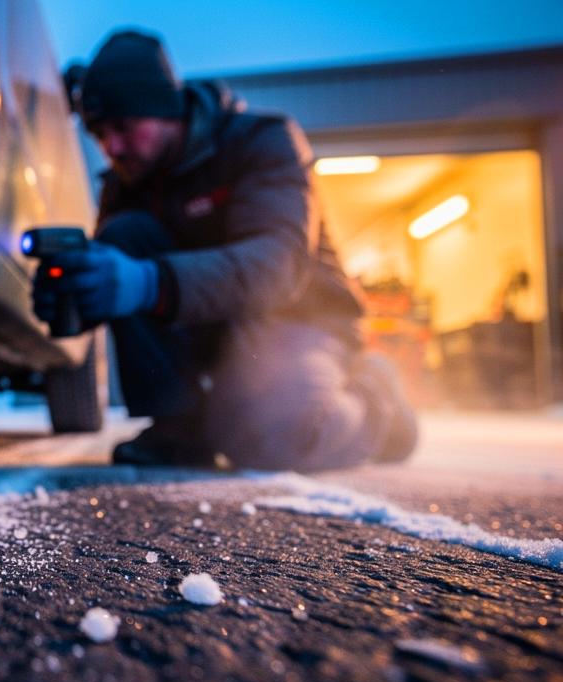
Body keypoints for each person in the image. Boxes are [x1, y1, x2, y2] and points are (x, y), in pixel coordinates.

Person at [34, 30, 417, 471]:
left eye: (123, 127)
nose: (112, 148)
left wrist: (144, 283)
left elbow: (276, 269)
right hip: (213, 325)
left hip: (298, 317)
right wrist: (81, 295)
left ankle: (376, 398)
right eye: (100, 134)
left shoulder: (262, 142)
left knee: (275, 439)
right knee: (124, 236)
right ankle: (177, 425)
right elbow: (124, 283)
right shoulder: (126, 184)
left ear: (166, 110)